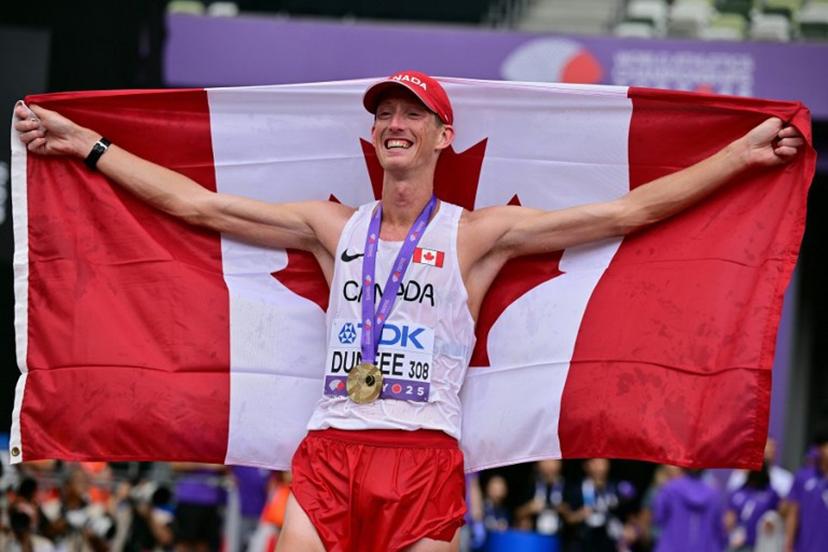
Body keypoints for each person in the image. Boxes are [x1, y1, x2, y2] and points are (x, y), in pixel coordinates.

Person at [14, 70, 805, 552]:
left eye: (413, 114)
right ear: (374, 134)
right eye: (385, 113)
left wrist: (738, 157)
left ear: (440, 136)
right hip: (329, 446)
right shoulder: (333, 228)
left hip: (426, 456)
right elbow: (198, 206)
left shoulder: (480, 235)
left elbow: (626, 214)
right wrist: (84, 143)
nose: (396, 124)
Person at [652, 469, 726, 552]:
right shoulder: (714, 495)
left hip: (670, 547)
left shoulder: (670, 489)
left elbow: (659, 517)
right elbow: (719, 529)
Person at [784, 426, 828, 552]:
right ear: (820, 449)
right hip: (805, 547)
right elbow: (793, 513)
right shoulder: (802, 477)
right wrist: (789, 544)